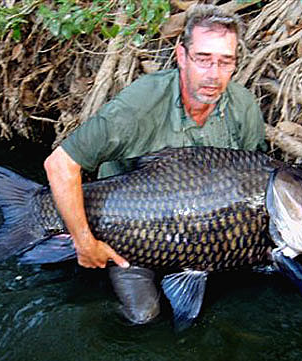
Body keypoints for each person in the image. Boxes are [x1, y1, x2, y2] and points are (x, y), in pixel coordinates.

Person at [44, 4, 267, 324]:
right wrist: (85, 243)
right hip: (125, 232)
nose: (214, 74)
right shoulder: (138, 106)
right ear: (181, 56)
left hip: (204, 234)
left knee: (250, 299)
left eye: (225, 61)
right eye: (203, 59)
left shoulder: (243, 106)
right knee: (144, 316)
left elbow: (257, 184)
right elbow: (60, 164)